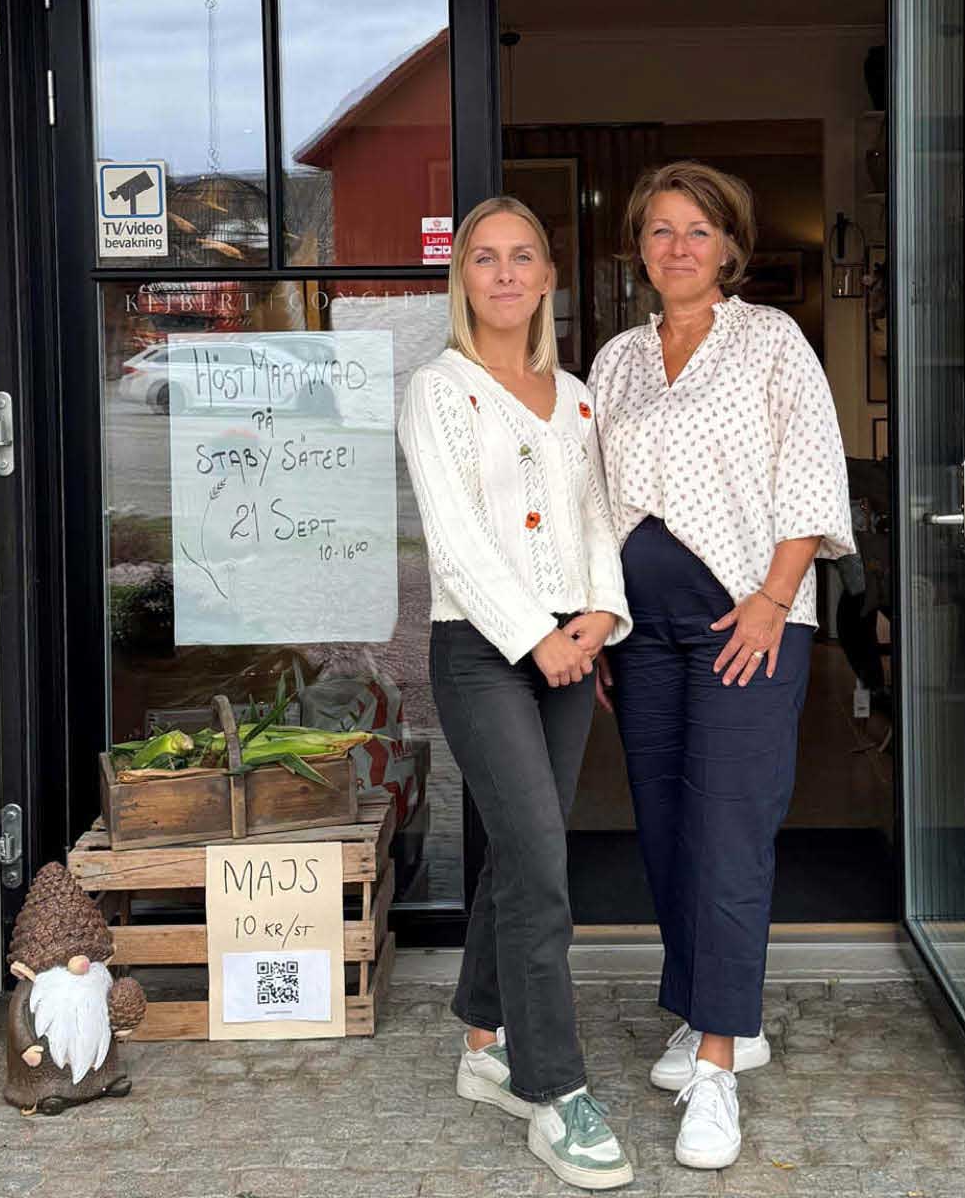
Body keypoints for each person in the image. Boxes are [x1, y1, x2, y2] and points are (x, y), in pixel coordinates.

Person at [587, 161, 855, 1171]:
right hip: (641, 632)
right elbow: (590, 503)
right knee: (662, 830)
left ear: (729, 248)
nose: (677, 248)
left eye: (695, 231)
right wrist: (601, 619)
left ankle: (714, 1070)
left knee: (728, 836)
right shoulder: (616, 360)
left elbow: (810, 477)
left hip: (747, 621)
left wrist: (773, 601)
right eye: (658, 231)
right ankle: (716, 1012)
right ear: (639, 251)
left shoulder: (768, 343)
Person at [396, 196, 635, 1191]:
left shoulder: (573, 395)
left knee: (517, 853)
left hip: (569, 652)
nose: (501, 273)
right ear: (462, 280)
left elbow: (595, 523)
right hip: (484, 653)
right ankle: (554, 1092)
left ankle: (481, 1040)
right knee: (538, 865)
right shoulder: (437, 392)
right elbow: (452, 539)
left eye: (520, 256)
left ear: (544, 277)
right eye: (482, 258)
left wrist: (597, 618)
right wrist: (538, 636)